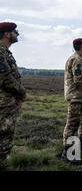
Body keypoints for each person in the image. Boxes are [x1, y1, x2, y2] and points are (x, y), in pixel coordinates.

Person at [0, 22, 26, 165]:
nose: (17, 33)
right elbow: (6, 79)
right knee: (3, 135)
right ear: (6, 34)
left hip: (7, 102)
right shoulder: (0, 52)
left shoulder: (5, 52)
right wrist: (22, 92)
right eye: (15, 31)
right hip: (3, 104)